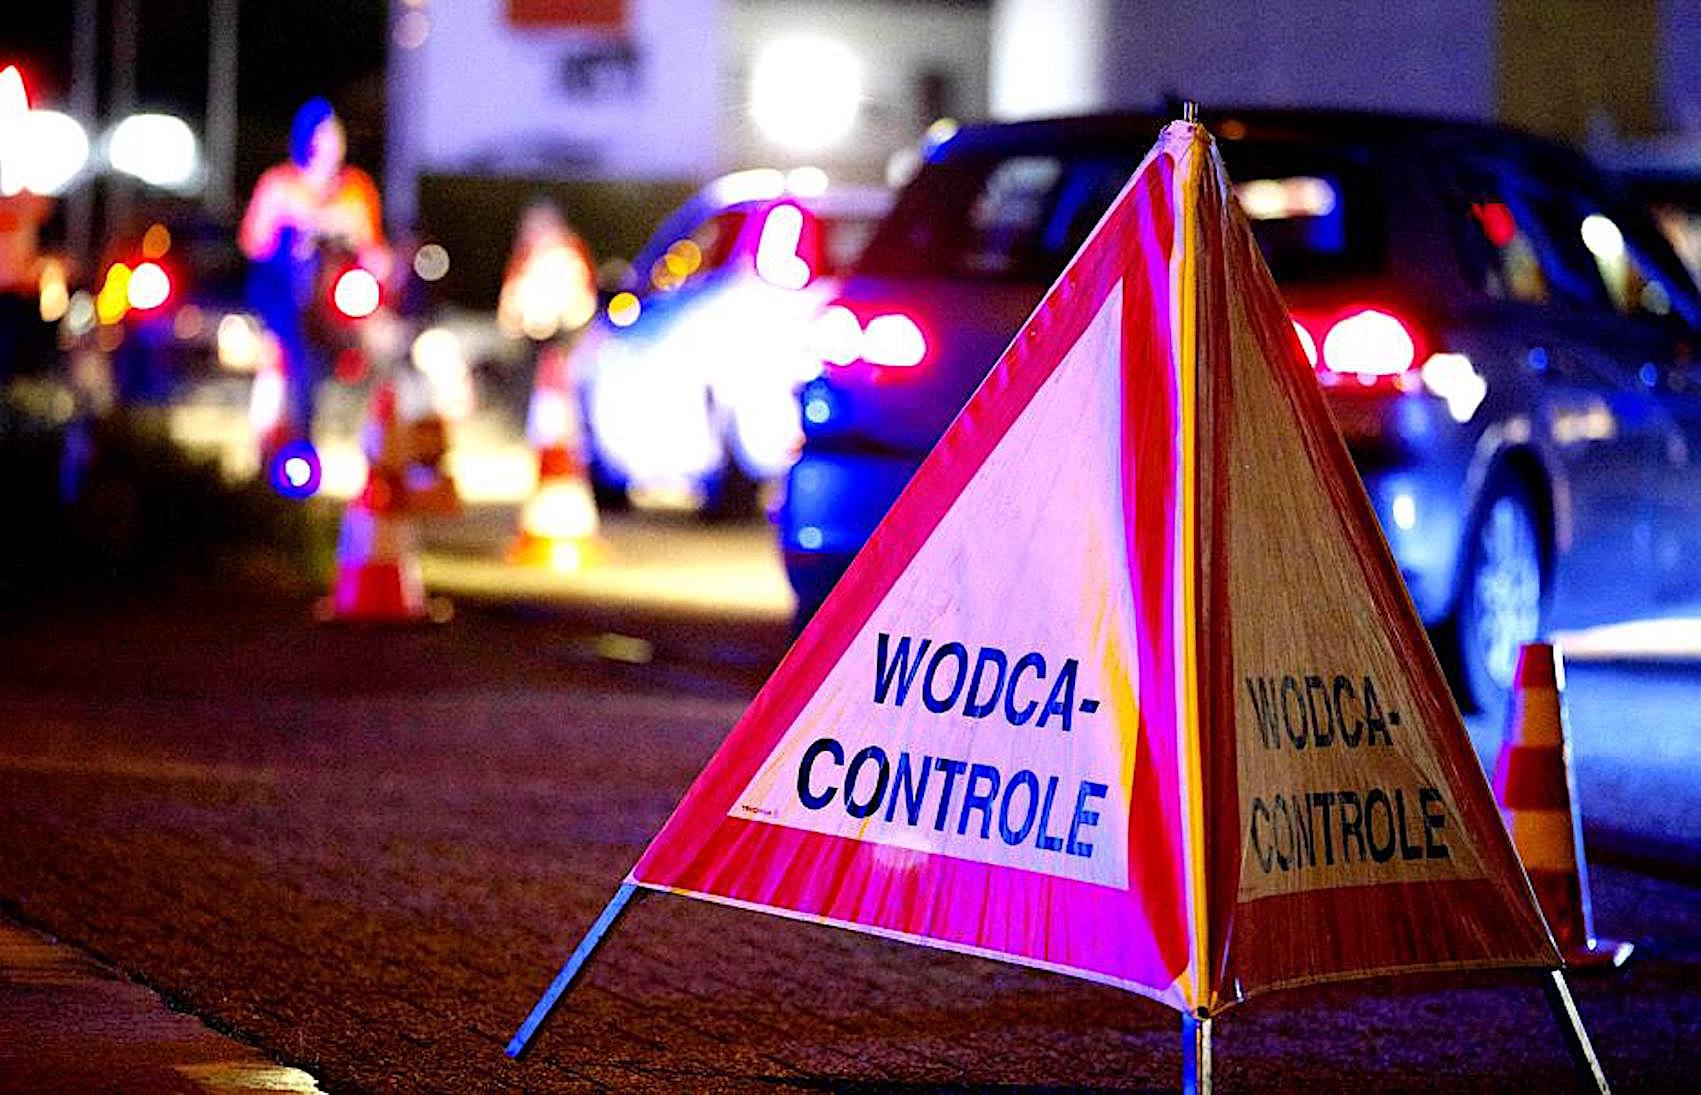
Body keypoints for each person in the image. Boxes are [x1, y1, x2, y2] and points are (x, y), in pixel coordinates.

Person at [239, 98, 387, 454]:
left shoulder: (355, 189)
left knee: (385, 350)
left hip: (339, 305)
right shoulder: (279, 185)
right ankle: (272, 446)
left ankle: (378, 445)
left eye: (334, 136)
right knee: (281, 364)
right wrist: (296, 227)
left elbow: (375, 253)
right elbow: (254, 242)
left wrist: (351, 240)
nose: (328, 145)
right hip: (288, 300)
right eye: (320, 137)